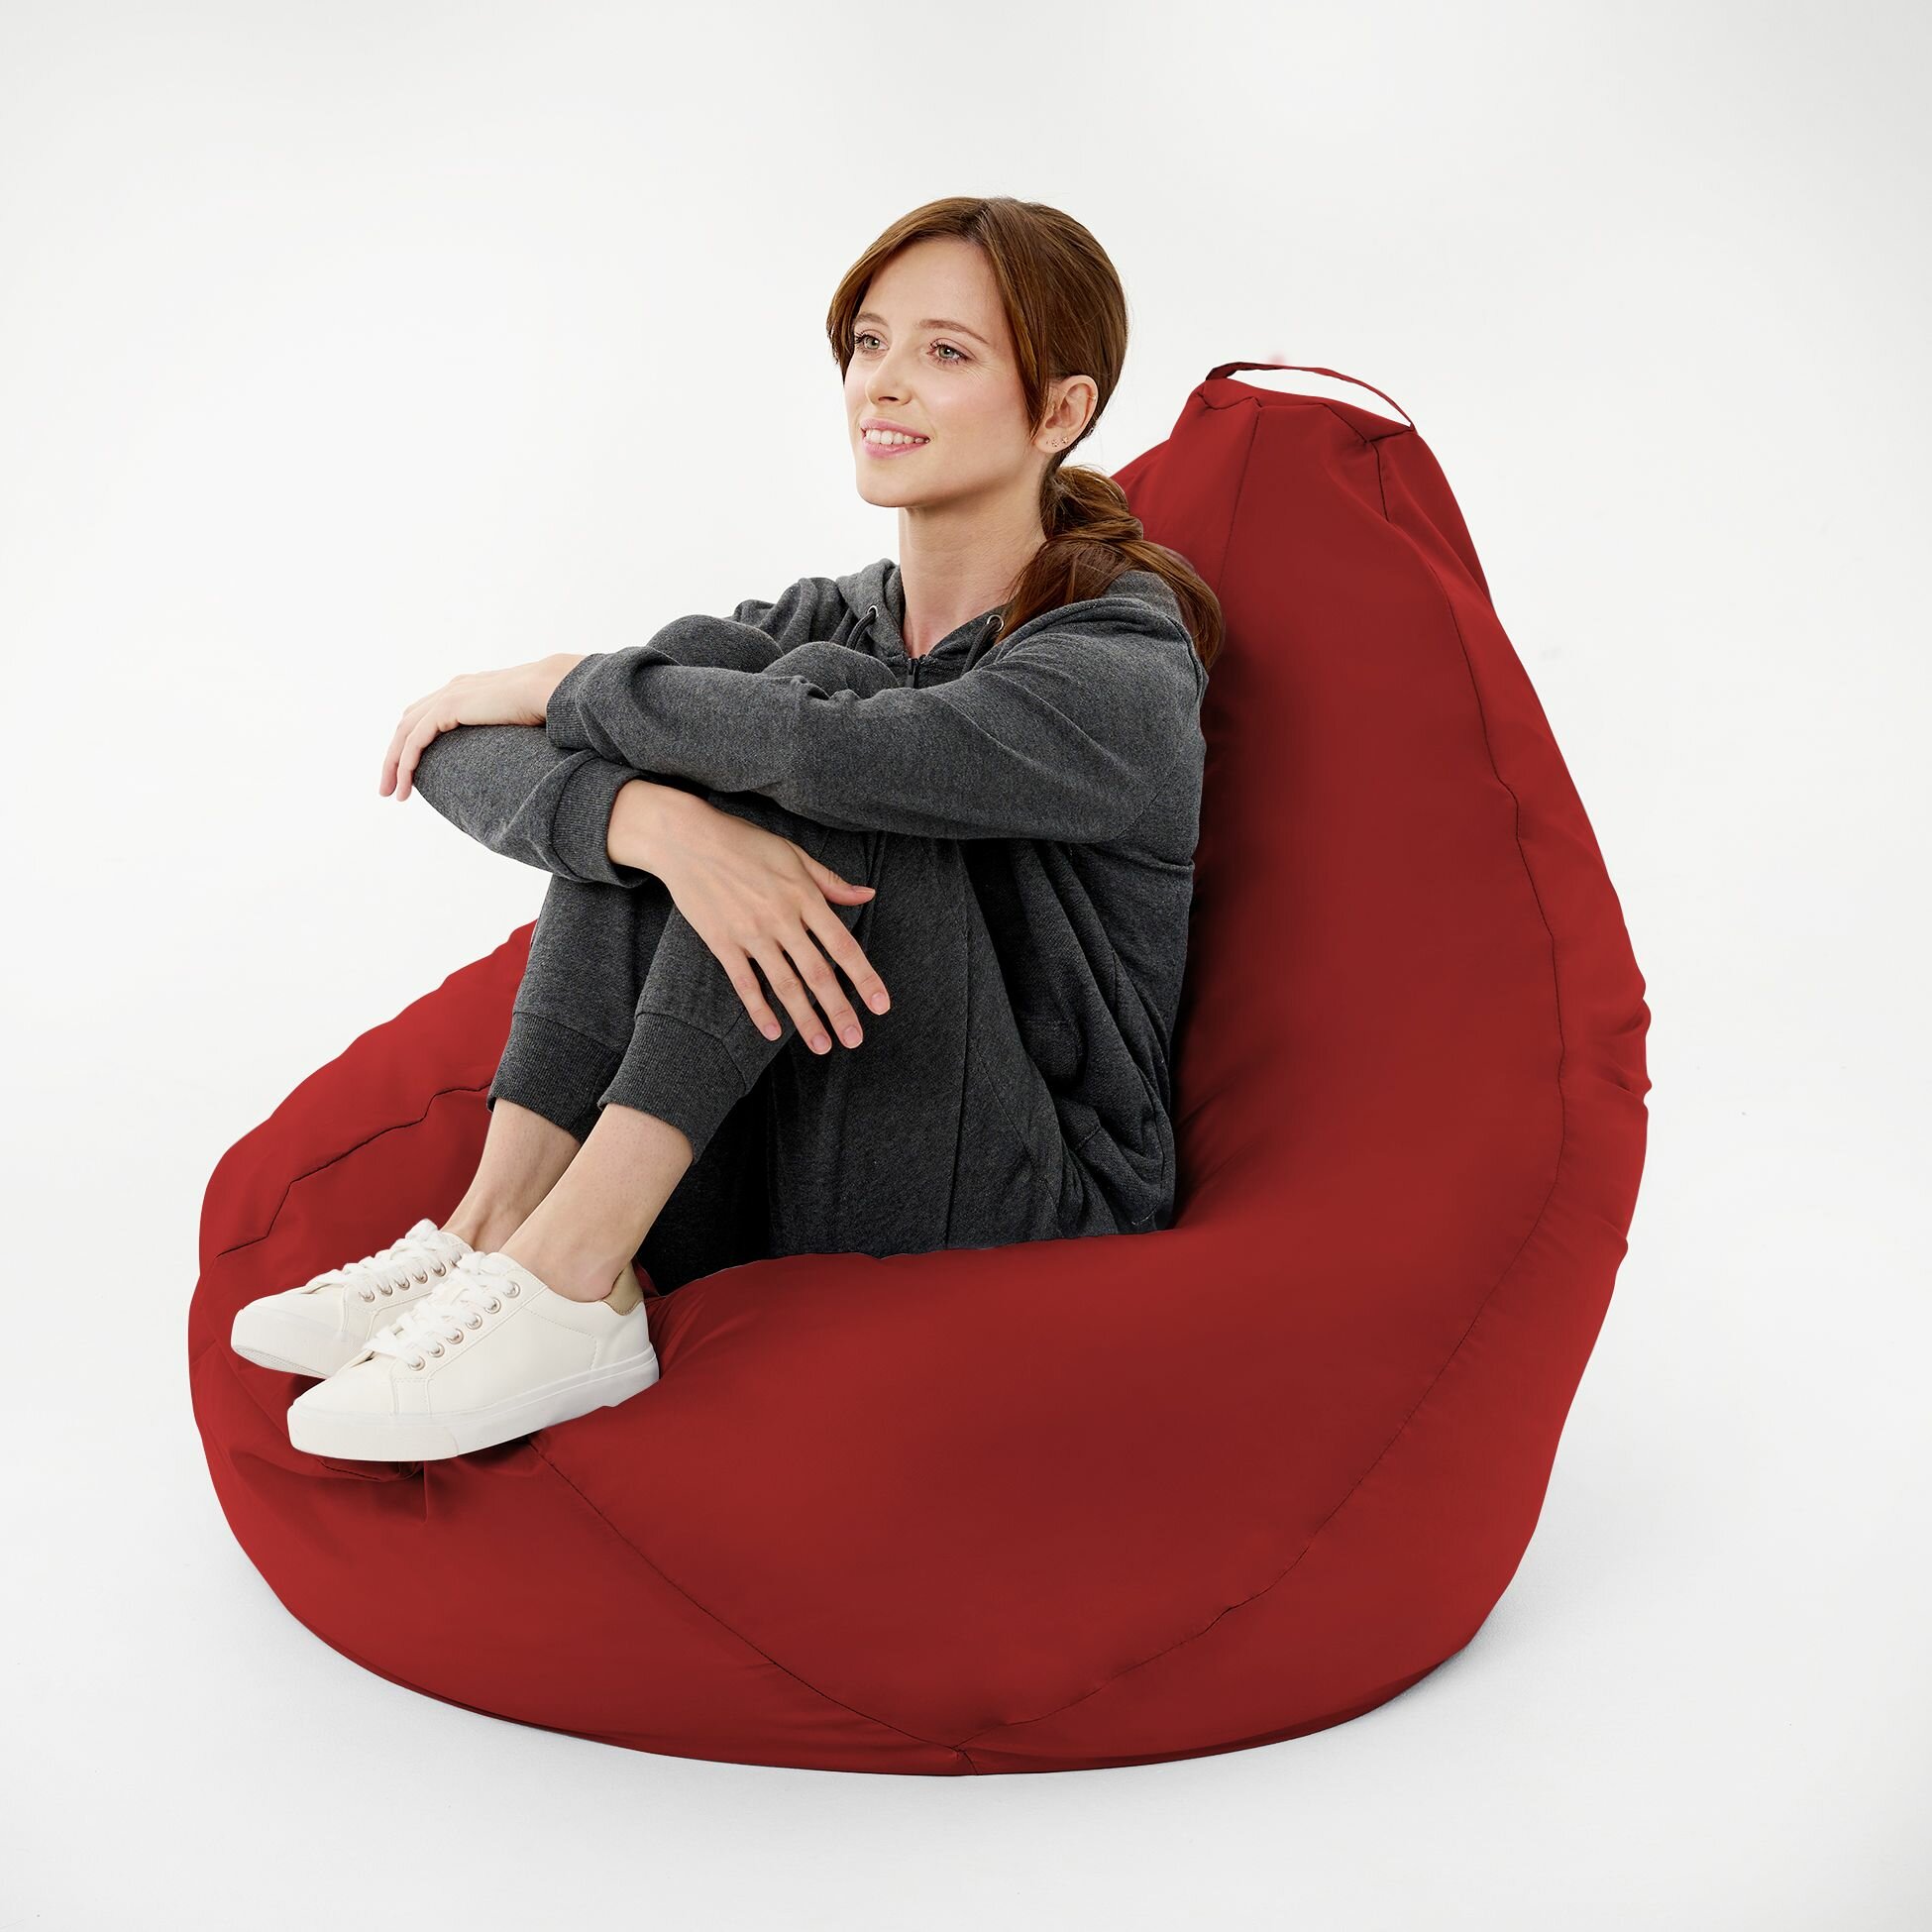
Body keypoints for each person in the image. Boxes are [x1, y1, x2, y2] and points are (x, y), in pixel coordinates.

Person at [232, 193, 1223, 1464]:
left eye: (945, 352)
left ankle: (573, 1274)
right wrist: (658, 828)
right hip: (785, 1158)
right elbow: (456, 756)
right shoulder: (828, 615)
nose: (883, 384)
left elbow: (836, 751)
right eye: (868, 343)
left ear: (1061, 412)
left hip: (1030, 1209)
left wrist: (566, 681)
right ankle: (496, 1226)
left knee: (810, 718)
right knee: (708, 717)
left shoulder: (1119, 663)